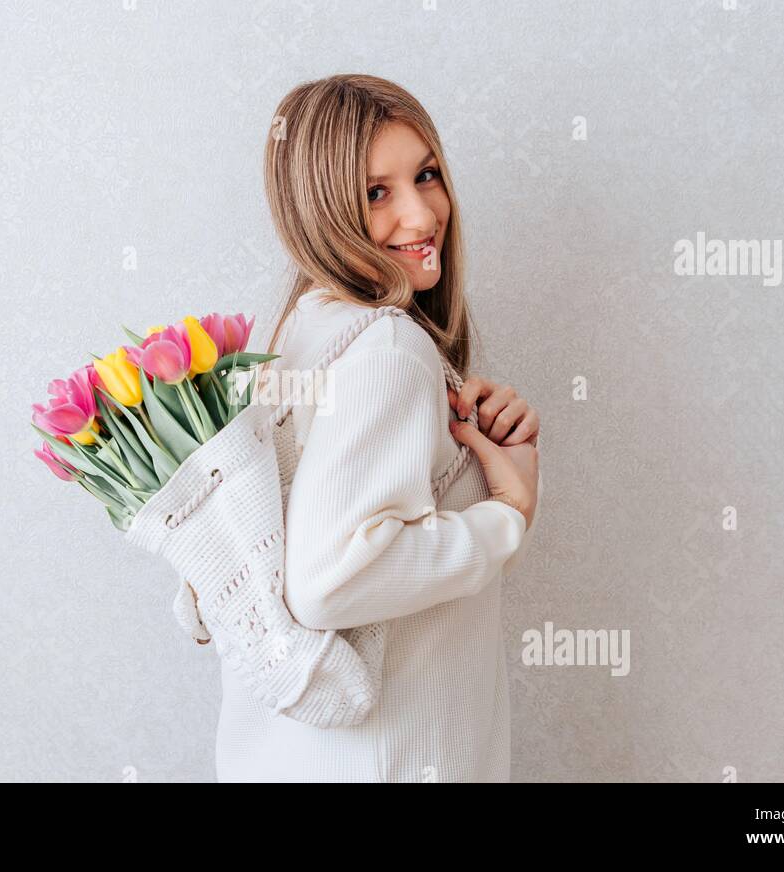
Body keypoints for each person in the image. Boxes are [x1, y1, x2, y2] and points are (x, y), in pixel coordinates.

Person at [213, 74, 542, 781]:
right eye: (376, 192)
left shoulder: (297, 337)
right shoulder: (389, 348)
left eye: (426, 175)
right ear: (319, 210)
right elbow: (333, 580)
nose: (422, 216)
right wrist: (506, 514)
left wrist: (473, 444)